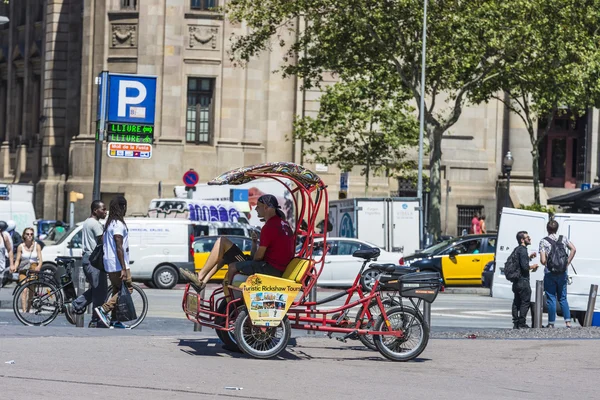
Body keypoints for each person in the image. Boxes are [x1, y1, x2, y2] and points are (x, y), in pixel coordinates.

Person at [180, 194, 295, 292]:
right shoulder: (283, 224)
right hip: (273, 267)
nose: (255, 210)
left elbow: (258, 257)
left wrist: (249, 260)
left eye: (258, 207)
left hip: (269, 268)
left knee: (224, 247)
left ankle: (227, 297)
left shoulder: (269, 227)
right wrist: (254, 243)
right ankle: (202, 281)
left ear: (266, 207)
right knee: (225, 253)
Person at [67, 200, 108, 328]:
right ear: (95, 210)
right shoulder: (94, 224)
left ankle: (94, 320)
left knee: (97, 290)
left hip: (88, 258)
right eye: (103, 209)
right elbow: (103, 241)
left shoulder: (87, 222)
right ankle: (79, 309)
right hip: (94, 260)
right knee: (100, 291)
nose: (105, 212)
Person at [94, 196, 132, 329]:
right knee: (127, 289)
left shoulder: (109, 223)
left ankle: (115, 320)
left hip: (109, 263)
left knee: (117, 289)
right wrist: (123, 267)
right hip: (118, 264)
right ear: (122, 207)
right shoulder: (118, 224)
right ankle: (104, 309)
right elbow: (118, 245)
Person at [539, 220, 576, 328]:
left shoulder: (543, 241)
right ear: (557, 228)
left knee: (551, 298)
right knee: (563, 298)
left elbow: (542, 260)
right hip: (562, 272)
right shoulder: (563, 238)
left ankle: (551, 323)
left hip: (550, 273)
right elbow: (573, 249)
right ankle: (568, 322)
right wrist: (567, 263)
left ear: (547, 229)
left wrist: (549, 265)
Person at [512, 231, 538, 329]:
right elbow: (524, 266)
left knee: (516, 301)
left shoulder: (517, 250)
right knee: (525, 302)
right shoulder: (522, 250)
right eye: (527, 237)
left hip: (516, 281)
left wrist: (529, 257)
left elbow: (519, 262)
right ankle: (522, 323)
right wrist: (533, 266)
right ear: (522, 240)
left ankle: (515, 322)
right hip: (523, 280)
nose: (530, 239)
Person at [12, 227, 43, 313]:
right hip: (23, 269)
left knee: (31, 290)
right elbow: (18, 259)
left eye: (31, 234)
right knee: (24, 289)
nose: (29, 236)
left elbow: (40, 260)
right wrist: (14, 266)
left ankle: (28, 309)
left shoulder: (37, 246)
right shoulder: (20, 246)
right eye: (27, 234)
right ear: (24, 235)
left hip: (33, 268)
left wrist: (39, 266)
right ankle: (24, 310)